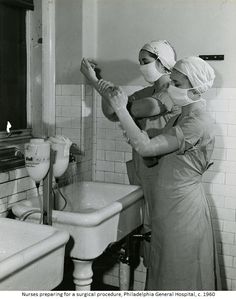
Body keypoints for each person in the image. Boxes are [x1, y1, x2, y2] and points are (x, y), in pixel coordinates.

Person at [93, 56, 221, 290]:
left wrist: (124, 111)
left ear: (196, 88)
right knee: (162, 275)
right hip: (166, 211)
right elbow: (151, 157)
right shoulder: (178, 118)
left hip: (183, 214)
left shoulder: (198, 123)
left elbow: (147, 148)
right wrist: (139, 135)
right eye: (171, 81)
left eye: (178, 84)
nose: (171, 88)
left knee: (181, 278)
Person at [80, 40, 180, 268]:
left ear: (162, 62)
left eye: (145, 62)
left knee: (161, 234)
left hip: (163, 172)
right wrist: (109, 92)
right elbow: (111, 112)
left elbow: (136, 109)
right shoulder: (148, 91)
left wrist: (96, 83)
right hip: (143, 168)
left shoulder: (170, 93)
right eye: (140, 62)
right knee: (148, 229)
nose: (142, 67)